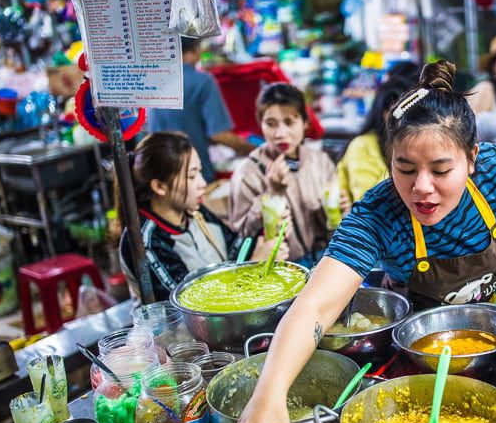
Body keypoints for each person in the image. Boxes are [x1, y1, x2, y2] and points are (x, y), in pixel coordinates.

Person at [220, 61, 496, 423]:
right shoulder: (378, 214)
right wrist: (268, 394)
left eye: (441, 170)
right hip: (426, 359)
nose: (421, 187)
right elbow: (315, 307)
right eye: (405, 168)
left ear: (473, 158)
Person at [119, 132, 278, 301]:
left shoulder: (197, 213)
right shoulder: (144, 241)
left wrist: (259, 228)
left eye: (200, 172)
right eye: (192, 176)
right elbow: (188, 306)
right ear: (160, 186)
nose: (203, 184)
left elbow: (235, 255)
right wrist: (255, 267)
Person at [229, 83, 341, 268]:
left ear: (305, 123)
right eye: (271, 124)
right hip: (279, 266)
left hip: (324, 258)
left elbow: (331, 225)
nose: (280, 134)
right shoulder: (248, 172)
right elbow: (242, 235)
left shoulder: (320, 162)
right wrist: (272, 194)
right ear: (260, 124)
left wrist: (335, 210)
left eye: (289, 122)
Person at [147, 38, 256, 183]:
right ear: (195, 49)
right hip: (193, 177)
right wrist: (254, 150)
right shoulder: (203, 81)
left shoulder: (153, 81)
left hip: (160, 177)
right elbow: (219, 134)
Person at [337, 77, 410, 203]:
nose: (402, 120)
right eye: (395, 112)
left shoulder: (416, 144)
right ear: (382, 112)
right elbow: (369, 204)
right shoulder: (362, 146)